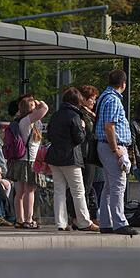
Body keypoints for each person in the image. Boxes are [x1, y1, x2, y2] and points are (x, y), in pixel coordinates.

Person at [46, 87, 99, 232]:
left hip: (54, 157)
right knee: (78, 190)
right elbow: (79, 139)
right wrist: (82, 128)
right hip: (70, 158)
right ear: (77, 101)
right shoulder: (76, 116)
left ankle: (61, 223)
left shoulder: (56, 115)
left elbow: (49, 135)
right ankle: (84, 222)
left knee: (59, 190)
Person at [95, 69, 137, 236]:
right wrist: (116, 150)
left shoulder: (104, 97)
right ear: (123, 84)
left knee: (108, 187)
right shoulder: (113, 100)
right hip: (112, 146)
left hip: (105, 146)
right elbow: (109, 126)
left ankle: (106, 222)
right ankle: (120, 223)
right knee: (119, 185)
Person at [7, 96, 48, 229]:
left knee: (19, 192)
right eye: (33, 106)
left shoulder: (23, 121)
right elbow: (45, 108)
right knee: (29, 191)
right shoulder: (27, 121)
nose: (36, 107)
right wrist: (38, 102)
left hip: (20, 161)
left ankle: (19, 219)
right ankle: (28, 219)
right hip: (29, 161)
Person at [78, 85, 100, 220]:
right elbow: (89, 134)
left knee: (89, 185)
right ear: (84, 99)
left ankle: (90, 215)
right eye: (92, 99)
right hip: (86, 153)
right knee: (85, 186)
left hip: (90, 152)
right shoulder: (82, 114)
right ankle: (85, 217)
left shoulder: (90, 114)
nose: (94, 102)